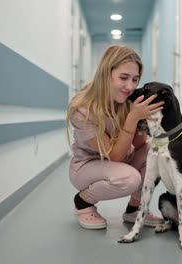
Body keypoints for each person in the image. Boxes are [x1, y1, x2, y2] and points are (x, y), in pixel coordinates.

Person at [66, 45, 165, 230]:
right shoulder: (82, 109)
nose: (130, 86)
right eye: (123, 77)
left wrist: (141, 121)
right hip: (86, 168)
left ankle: (134, 208)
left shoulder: (126, 100)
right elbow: (115, 157)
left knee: (156, 149)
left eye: (135, 79)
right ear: (106, 74)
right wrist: (132, 118)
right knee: (130, 179)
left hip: (120, 162)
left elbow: (139, 144)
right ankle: (83, 201)